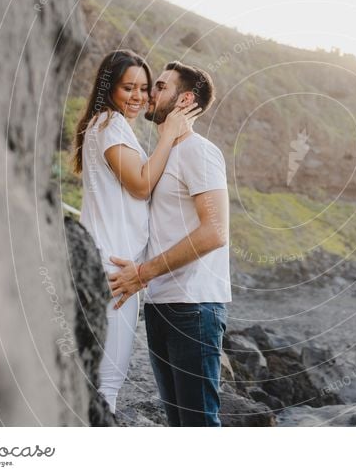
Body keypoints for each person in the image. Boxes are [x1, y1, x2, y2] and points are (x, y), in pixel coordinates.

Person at [72, 50, 201, 415]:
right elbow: (142, 184)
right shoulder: (110, 125)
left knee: (93, 376)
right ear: (108, 88)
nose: (138, 96)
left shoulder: (106, 125)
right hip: (113, 268)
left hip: (106, 263)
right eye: (128, 87)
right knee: (107, 383)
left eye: (144, 88)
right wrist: (170, 135)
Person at [108, 61, 230, 427]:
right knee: (179, 426)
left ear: (184, 99)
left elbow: (215, 231)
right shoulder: (164, 154)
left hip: (193, 307)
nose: (148, 93)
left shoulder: (198, 151)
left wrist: (141, 274)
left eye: (159, 86)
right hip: (163, 303)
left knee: (197, 427)